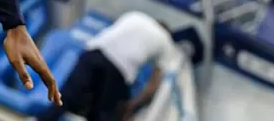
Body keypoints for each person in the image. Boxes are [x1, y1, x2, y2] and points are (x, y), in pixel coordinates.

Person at [35, 12, 180, 121]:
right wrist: (134, 103)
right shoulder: (167, 42)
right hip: (119, 69)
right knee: (103, 114)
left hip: (93, 52)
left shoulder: (135, 15)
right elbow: (153, 85)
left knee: (65, 98)